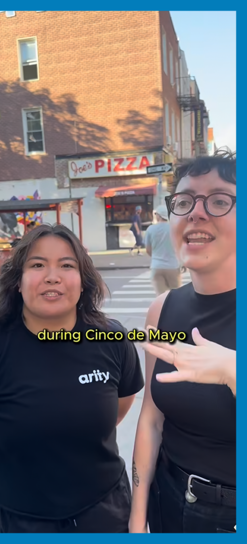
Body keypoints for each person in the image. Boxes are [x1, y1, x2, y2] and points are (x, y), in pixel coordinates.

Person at [0, 224, 144, 533]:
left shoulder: (111, 339)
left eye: (66, 265)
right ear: (17, 282)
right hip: (22, 517)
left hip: (105, 509)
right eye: (37, 265)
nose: (52, 276)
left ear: (83, 282)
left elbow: (119, 407)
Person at [130, 150, 236, 534]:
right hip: (167, 500)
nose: (196, 212)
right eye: (185, 201)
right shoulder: (162, 309)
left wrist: (232, 371)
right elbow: (152, 419)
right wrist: (137, 517)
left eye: (220, 200)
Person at [144, 208, 181, 295]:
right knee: (176, 296)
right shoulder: (175, 228)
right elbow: (180, 247)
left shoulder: (150, 229)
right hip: (173, 266)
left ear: (159, 216)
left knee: (161, 297)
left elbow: (148, 249)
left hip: (157, 266)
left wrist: (156, 257)